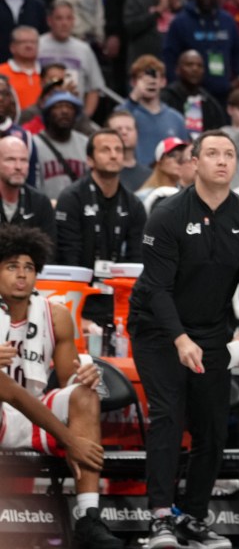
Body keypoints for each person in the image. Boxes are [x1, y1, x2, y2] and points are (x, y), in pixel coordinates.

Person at [129, 131, 239, 549]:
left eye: (229, 154)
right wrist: (178, 337)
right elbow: (155, 289)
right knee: (169, 414)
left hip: (211, 330)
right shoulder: (167, 214)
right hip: (157, 328)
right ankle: (159, 517)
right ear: (194, 162)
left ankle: (192, 516)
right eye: (212, 153)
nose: (222, 161)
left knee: (211, 425)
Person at [0, 227, 120, 548]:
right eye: (12, 266)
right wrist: (70, 440)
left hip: (36, 414)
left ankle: (89, 517)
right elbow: (7, 390)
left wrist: (90, 378)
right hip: (3, 414)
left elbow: (68, 381)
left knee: (84, 394)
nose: (22, 275)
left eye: (29, 267)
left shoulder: (57, 316)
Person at [56, 129, 146, 269]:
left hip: (119, 285)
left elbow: (136, 256)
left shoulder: (133, 204)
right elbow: (68, 254)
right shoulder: (71, 198)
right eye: (105, 150)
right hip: (79, 283)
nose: (113, 155)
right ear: (90, 160)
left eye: (118, 150)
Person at [163, 0, 239, 107]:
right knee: (194, 126)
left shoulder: (227, 20)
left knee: (221, 125)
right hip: (190, 93)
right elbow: (169, 55)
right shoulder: (181, 21)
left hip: (222, 91)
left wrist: (238, 75)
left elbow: (238, 49)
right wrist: (174, 86)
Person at [38, 1, 105, 119]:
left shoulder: (84, 49)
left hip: (74, 115)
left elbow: (94, 88)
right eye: (59, 18)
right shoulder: (38, 45)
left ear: (73, 21)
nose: (64, 23)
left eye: (69, 18)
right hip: (41, 114)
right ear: (49, 21)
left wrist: (84, 116)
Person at [122, 55, 189, 166]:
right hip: (134, 178)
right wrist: (135, 95)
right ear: (133, 82)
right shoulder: (127, 112)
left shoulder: (176, 119)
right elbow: (114, 122)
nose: (150, 82)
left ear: (163, 81)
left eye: (155, 77)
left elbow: (184, 155)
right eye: (143, 78)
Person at [0, 134, 56, 252]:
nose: (18, 167)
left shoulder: (40, 203)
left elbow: (49, 253)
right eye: (10, 159)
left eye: (24, 160)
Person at [33, 90, 89, 201]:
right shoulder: (34, 144)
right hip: (46, 211)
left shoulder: (85, 143)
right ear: (47, 114)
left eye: (70, 107)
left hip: (78, 212)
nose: (64, 111)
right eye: (58, 107)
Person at [162, 49, 227, 135]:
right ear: (178, 69)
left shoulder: (210, 103)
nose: (195, 69)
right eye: (189, 65)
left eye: (199, 66)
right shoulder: (165, 98)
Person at [136, 136, 192, 213]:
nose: (179, 160)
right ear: (160, 161)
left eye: (182, 156)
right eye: (173, 155)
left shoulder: (187, 194)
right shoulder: (143, 196)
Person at [106, 107, 150, 193]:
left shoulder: (149, 176)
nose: (124, 132)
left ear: (137, 133)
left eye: (129, 129)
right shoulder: (102, 173)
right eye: (118, 129)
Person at [0, 24, 42, 111]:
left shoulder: (46, 73)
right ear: (12, 47)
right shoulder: (1, 72)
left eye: (33, 42)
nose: (29, 46)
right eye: (23, 42)